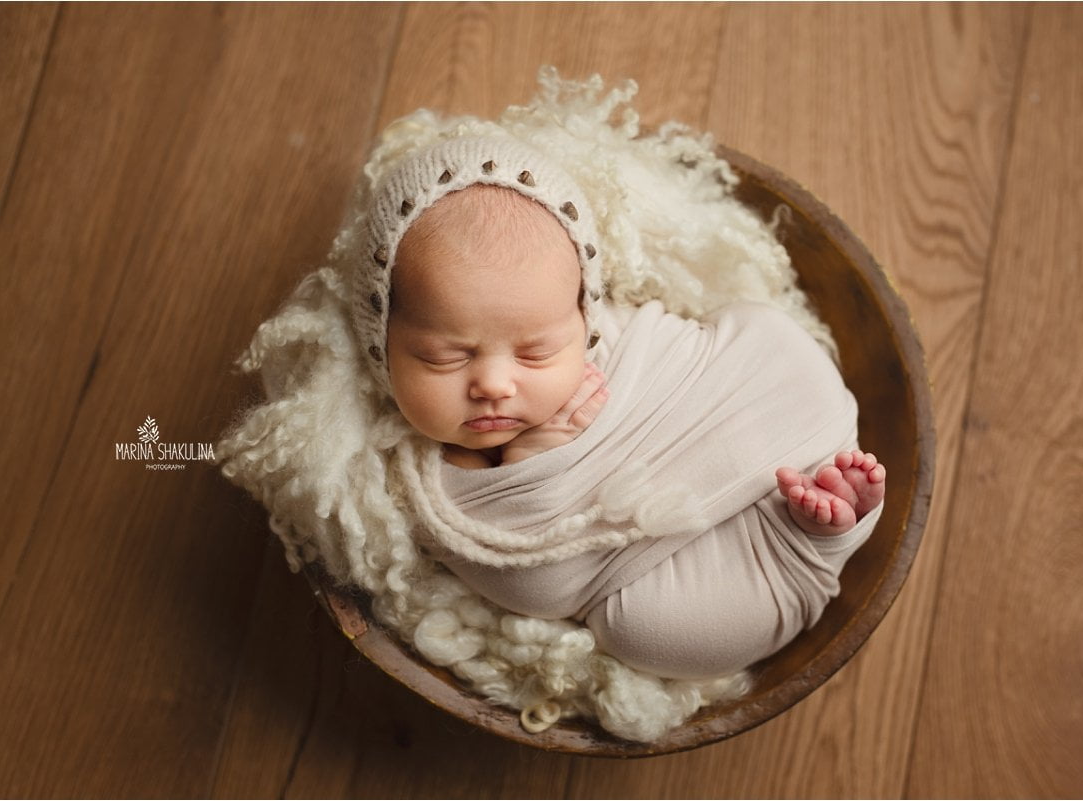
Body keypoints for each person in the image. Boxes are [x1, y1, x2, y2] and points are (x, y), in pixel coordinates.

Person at [353, 134, 885, 679]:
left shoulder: (614, 345)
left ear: (585, 317)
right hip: (703, 576)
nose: (493, 384)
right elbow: (535, 584)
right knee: (644, 630)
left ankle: (824, 521)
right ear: (381, 342)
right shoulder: (425, 490)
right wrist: (535, 456)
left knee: (770, 336)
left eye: (536, 351)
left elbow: (669, 353)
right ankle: (814, 540)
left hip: (747, 407)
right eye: (444, 357)